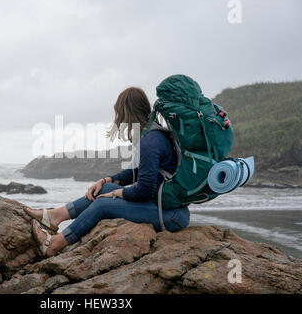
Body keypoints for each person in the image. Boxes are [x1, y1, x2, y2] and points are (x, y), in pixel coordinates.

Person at [25, 87, 190, 258]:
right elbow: (135, 173)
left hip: (170, 214)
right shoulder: (152, 135)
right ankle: (54, 216)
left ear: (127, 113)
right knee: (103, 190)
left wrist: (117, 193)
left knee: (102, 205)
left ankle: (54, 244)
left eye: (118, 114)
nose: (117, 120)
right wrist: (106, 181)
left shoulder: (150, 141)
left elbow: (144, 189)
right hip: (164, 205)